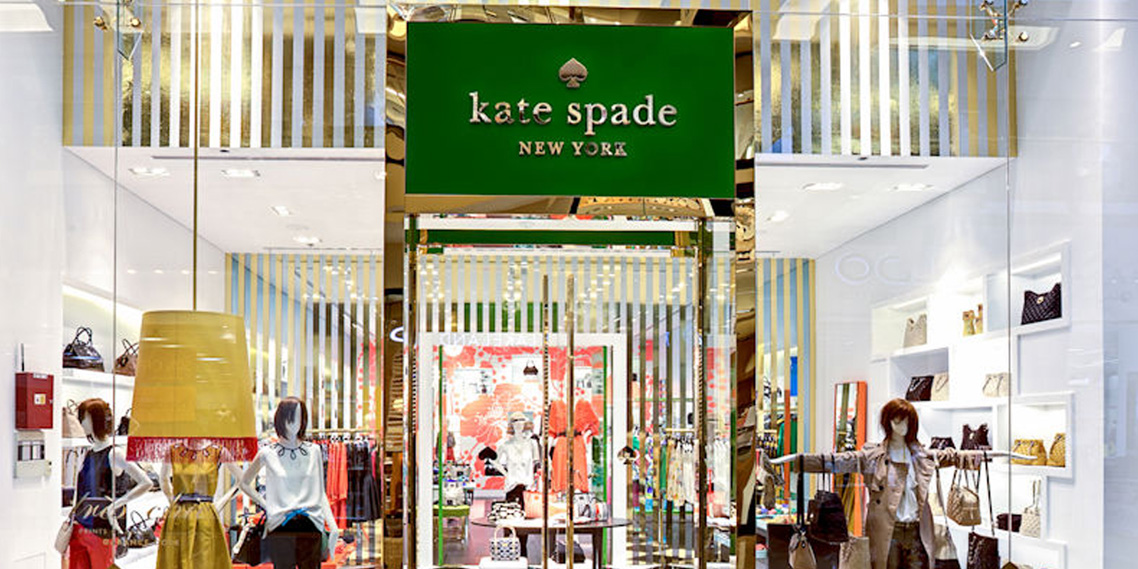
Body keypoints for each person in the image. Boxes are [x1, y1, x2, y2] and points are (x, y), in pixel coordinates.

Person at [773, 398, 1025, 569]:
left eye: (906, 421)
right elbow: (836, 460)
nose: (901, 426)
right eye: (896, 420)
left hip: (917, 530)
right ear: (887, 422)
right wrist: (797, 460)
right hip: (887, 531)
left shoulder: (922, 455)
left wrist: (1000, 454)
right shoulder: (872, 456)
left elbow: (956, 456)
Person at [238, 397, 339, 569]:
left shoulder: (313, 451)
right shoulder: (267, 453)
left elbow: (319, 491)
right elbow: (244, 483)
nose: (294, 424)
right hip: (280, 525)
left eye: (299, 419)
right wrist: (266, 505)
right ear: (281, 419)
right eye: (290, 418)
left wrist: (333, 525)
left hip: (311, 524)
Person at [66, 398, 152, 569]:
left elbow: (146, 482)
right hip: (81, 527)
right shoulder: (90, 452)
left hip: (102, 530)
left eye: (84, 418)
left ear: (96, 420)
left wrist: (117, 504)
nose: (81, 423)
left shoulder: (114, 453)